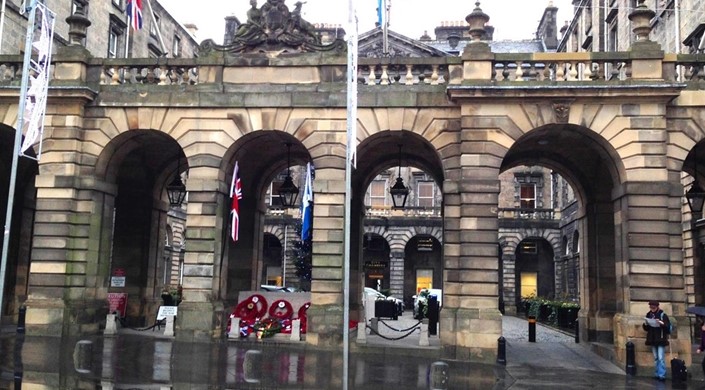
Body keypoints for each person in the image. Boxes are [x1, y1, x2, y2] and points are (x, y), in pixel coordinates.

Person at [643, 300, 670, 381]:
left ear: (657, 306)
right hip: (652, 339)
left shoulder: (663, 315)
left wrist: (661, 323)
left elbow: (667, 328)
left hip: (661, 339)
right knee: (656, 358)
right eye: (651, 307)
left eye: (653, 307)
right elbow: (647, 329)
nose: (652, 309)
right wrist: (646, 324)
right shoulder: (649, 314)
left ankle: (662, 375)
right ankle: (657, 373)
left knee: (661, 357)